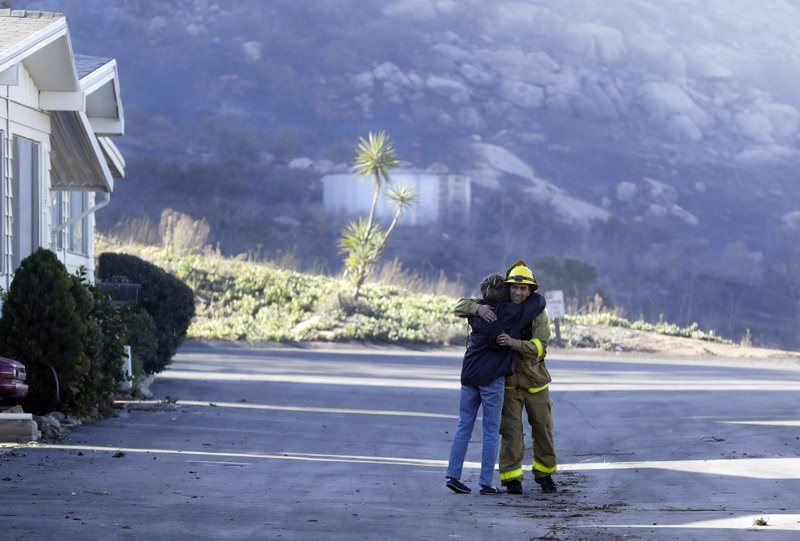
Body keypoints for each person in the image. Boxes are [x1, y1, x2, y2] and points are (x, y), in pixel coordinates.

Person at [455, 260, 557, 494]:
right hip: (508, 382)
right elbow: (461, 306)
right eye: (514, 287)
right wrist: (477, 309)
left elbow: (541, 347)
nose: (518, 292)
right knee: (510, 432)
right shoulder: (497, 306)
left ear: (531, 290)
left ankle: (545, 476)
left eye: (523, 288)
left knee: (542, 430)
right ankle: (512, 479)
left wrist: (513, 343)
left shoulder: (538, 312)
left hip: (536, 381)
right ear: (507, 288)